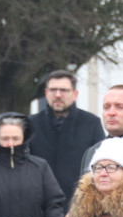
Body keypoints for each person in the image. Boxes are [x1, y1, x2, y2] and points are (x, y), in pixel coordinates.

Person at [28, 70, 105, 204]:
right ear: (46, 93)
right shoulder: (31, 124)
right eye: (53, 90)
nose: (58, 95)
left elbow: (101, 165)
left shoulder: (91, 123)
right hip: (39, 205)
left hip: (80, 205)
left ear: (75, 94)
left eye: (63, 90)